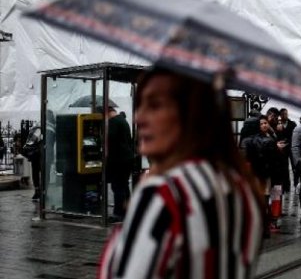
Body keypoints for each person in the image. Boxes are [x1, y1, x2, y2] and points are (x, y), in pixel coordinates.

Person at [98, 69, 262, 279]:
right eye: (140, 105)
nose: (139, 118)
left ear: (192, 113)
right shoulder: (242, 188)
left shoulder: (164, 194)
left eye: (155, 105)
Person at [98, 106, 134, 222]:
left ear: (106, 113)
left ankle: (118, 214)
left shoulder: (114, 122)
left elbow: (110, 140)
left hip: (118, 159)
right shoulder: (123, 120)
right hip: (127, 158)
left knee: (117, 186)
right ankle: (127, 211)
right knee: (124, 186)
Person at [22, 127, 43, 201]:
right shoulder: (40, 129)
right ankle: (40, 191)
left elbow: (30, 141)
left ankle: (37, 191)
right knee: (40, 173)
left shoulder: (35, 129)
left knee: (35, 172)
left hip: (36, 155)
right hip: (39, 154)